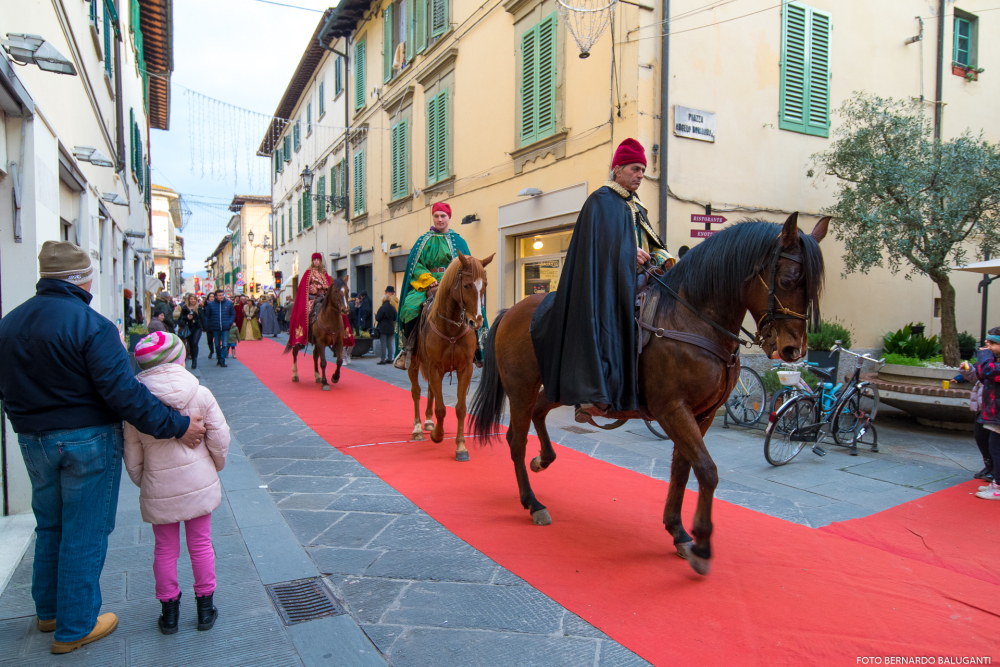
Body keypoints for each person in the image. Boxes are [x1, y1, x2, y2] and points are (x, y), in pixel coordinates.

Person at [0, 241, 206, 654]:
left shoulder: (9, 323)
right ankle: (75, 626)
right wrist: (178, 425)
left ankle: (49, 612)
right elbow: (125, 394)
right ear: (82, 279)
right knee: (85, 531)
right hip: (87, 439)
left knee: (50, 527)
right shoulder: (91, 325)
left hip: (32, 441)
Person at [530, 138, 674, 423]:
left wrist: (666, 259)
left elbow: (652, 243)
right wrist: (627, 254)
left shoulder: (637, 206)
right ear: (617, 169)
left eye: (643, 170)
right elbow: (593, 250)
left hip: (641, 277)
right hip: (606, 282)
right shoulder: (600, 201)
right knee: (605, 318)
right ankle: (593, 393)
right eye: (635, 169)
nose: (640, 175)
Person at [124, 333, 230, 634]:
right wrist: (214, 467)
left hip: (159, 485)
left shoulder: (136, 405)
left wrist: (146, 482)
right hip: (198, 480)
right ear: (180, 359)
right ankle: (205, 610)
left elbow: (132, 455)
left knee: (164, 549)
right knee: (201, 544)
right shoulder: (201, 393)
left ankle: (169, 615)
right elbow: (220, 438)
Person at [394, 202, 488, 370]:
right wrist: (428, 279)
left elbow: (467, 267)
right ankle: (408, 350)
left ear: (449, 217)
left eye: (443, 216)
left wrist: (450, 281)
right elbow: (415, 266)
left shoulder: (459, 241)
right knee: (409, 306)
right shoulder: (423, 241)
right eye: (436, 216)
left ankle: (478, 349)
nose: (439, 219)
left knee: (472, 305)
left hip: (453, 283)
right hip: (428, 283)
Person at [970, 329, 1000, 499]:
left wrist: (984, 355)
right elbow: (983, 376)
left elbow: (989, 372)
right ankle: (997, 482)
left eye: (993, 343)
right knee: (994, 446)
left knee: (997, 449)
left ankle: (999, 487)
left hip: (998, 412)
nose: (989, 346)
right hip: (995, 411)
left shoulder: (992, 362)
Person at [287, 253, 332, 351]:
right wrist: (318, 287)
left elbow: (329, 285)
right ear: (312, 261)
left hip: (324, 297)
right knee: (304, 313)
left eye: (318, 260)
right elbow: (306, 287)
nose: (316, 262)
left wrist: (326, 288)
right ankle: (302, 337)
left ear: (320, 261)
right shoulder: (308, 273)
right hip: (313, 298)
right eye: (314, 260)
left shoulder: (324, 273)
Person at [204, 290, 236, 367]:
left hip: (226, 327)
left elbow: (233, 314)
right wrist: (207, 325)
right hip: (215, 327)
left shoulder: (228, 304)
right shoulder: (211, 304)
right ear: (216, 296)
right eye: (219, 295)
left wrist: (230, 322)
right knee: (217, 344)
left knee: (224, 344)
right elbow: (207, 316)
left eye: (222, 295)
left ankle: (222, 360)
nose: (222, 296)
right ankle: (218, 358)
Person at [179, 294, 203, 369]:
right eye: (191, 299)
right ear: (188, 300)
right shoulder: (185, 308)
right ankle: (192, 358)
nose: (193, 301)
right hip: (189, 328)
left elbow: (202, 317)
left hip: (197, 327)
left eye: (194, 299)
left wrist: (205, 328)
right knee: (191, 344)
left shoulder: (198, 307)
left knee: (195, 343)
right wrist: (187, 317)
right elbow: (181, 318)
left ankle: (194, 360)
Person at [375, 289, 398, 365]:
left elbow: (378, 318)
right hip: (391, 327)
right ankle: (390, 358)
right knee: (389, 344)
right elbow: (395, 317)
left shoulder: (382, 307)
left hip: (383, 327)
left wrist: (376, 316)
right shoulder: (392, 307)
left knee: (383, 344)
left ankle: (383, 359)